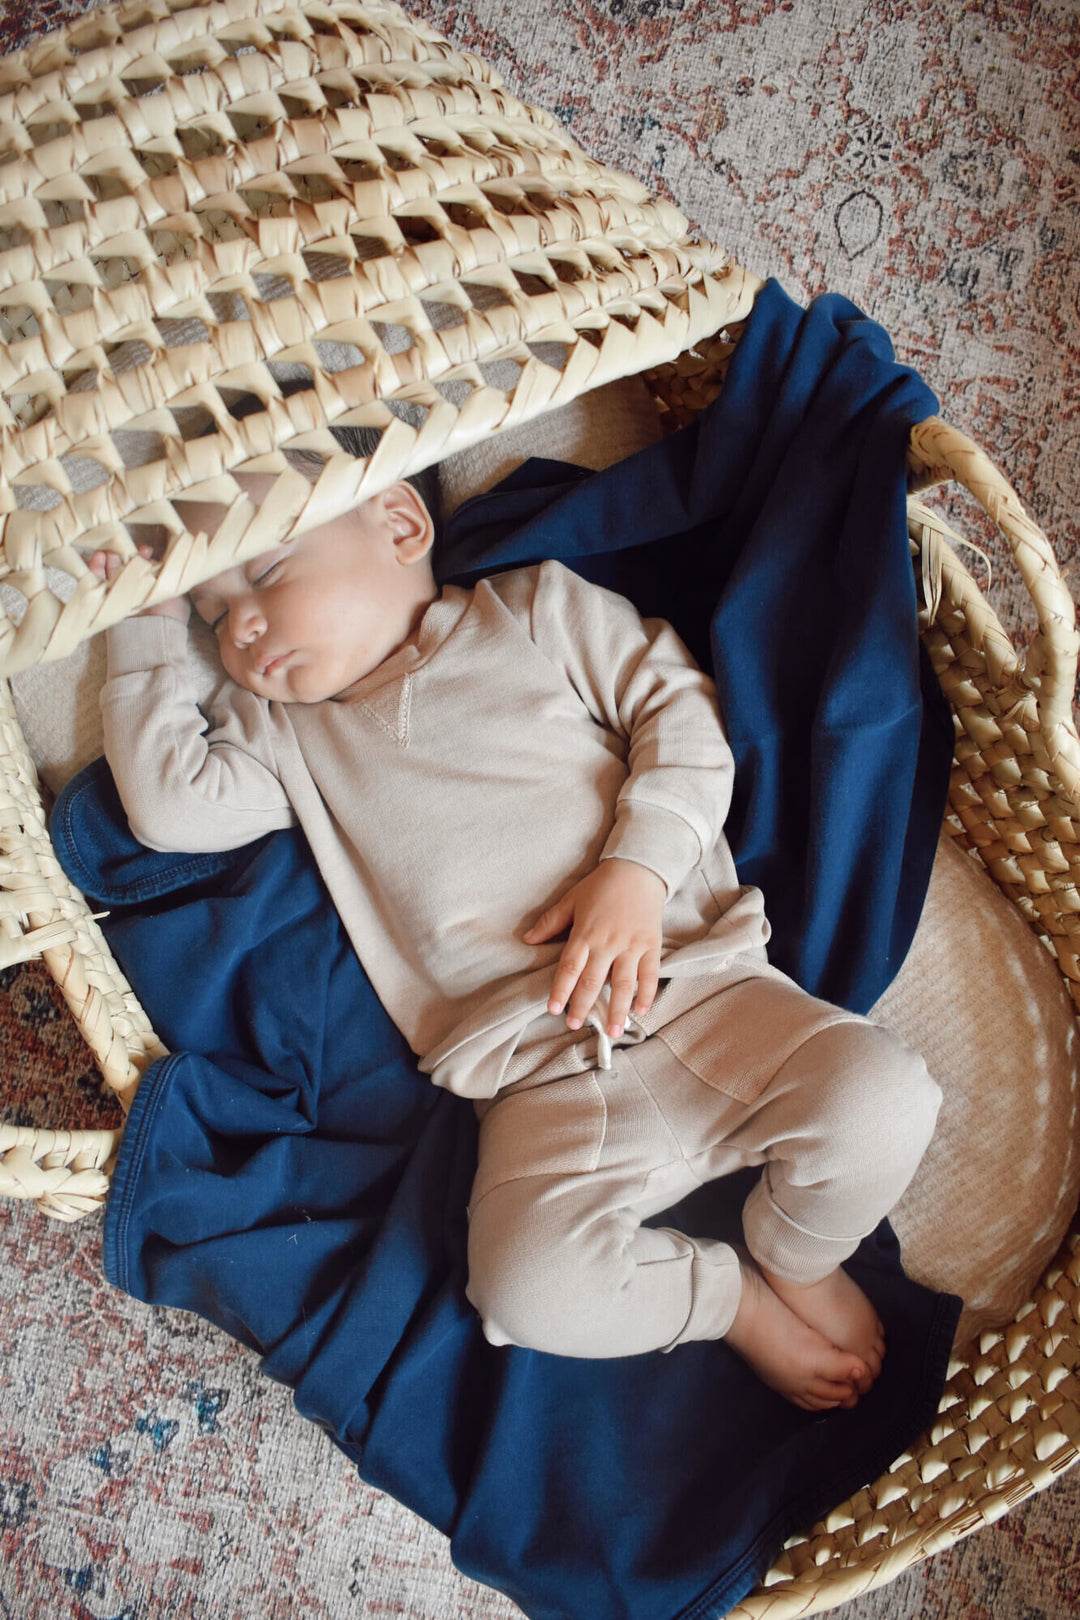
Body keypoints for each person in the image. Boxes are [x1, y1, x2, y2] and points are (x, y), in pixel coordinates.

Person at [89, 428, 940, 1414]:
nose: (239, 627)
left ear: (400, 522)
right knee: (525, 1291)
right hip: (540, 1082)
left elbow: (681, 717)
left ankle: (796, 1250)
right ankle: (729, 1301)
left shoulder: (533, 611)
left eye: (268, 572)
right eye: (214, 611)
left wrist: (636, 869)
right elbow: (169, 807)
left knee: (886, 1098)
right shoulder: (282, 736)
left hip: (704, 989)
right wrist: (143, 622)